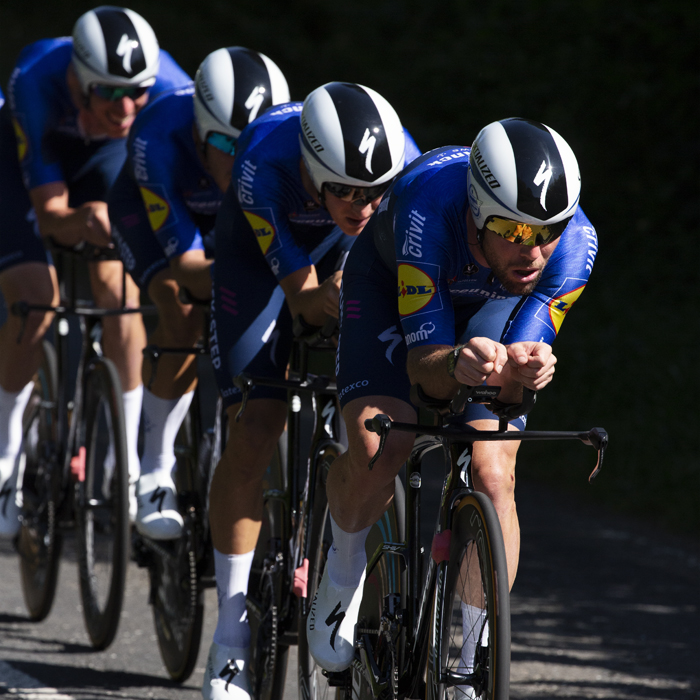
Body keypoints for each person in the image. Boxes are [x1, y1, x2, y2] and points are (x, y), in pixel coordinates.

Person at [307, 118, 599, 675]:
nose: (533, 251)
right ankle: (343, 571)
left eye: (547, 230)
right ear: (475, 215)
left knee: (494, 472)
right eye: (514, 232)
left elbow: (514, 376)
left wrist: (526, 372)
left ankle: (469, 664)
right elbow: (425, 372)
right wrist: (456, 365)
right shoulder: (428, 210)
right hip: (391, 286)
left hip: (489, 302)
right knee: (379, 445)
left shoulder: (575, 245)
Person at [203, 81, 421, 699]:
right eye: (347, 192)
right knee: (258, 419)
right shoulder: (264, 163)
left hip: (356, 258)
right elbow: (302, 298)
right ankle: (229, 638)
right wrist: (323, 295)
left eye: (376, 192)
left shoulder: (404, 163)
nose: (364, 203)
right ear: (310, 170)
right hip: (262, 257)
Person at [0, 6, 191, 537]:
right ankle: (6, 449)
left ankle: (128, 467)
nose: (127, 106)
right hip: (26, 168)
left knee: (120, 296)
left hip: (105, 160)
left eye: (138, 91)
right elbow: (52, 215)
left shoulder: (172, 86)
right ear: (78, 79)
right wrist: (81, 219)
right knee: (36, 297)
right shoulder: (36, 77)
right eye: (109, 91)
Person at [108, 47, 289, 540]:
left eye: (251, 146)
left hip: (229, 223)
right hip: (155, 215)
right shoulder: (158, 136)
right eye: (224, 143)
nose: (239, 159)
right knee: (180, 305)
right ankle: (153, 471)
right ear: (196, 130)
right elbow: (190, 270)